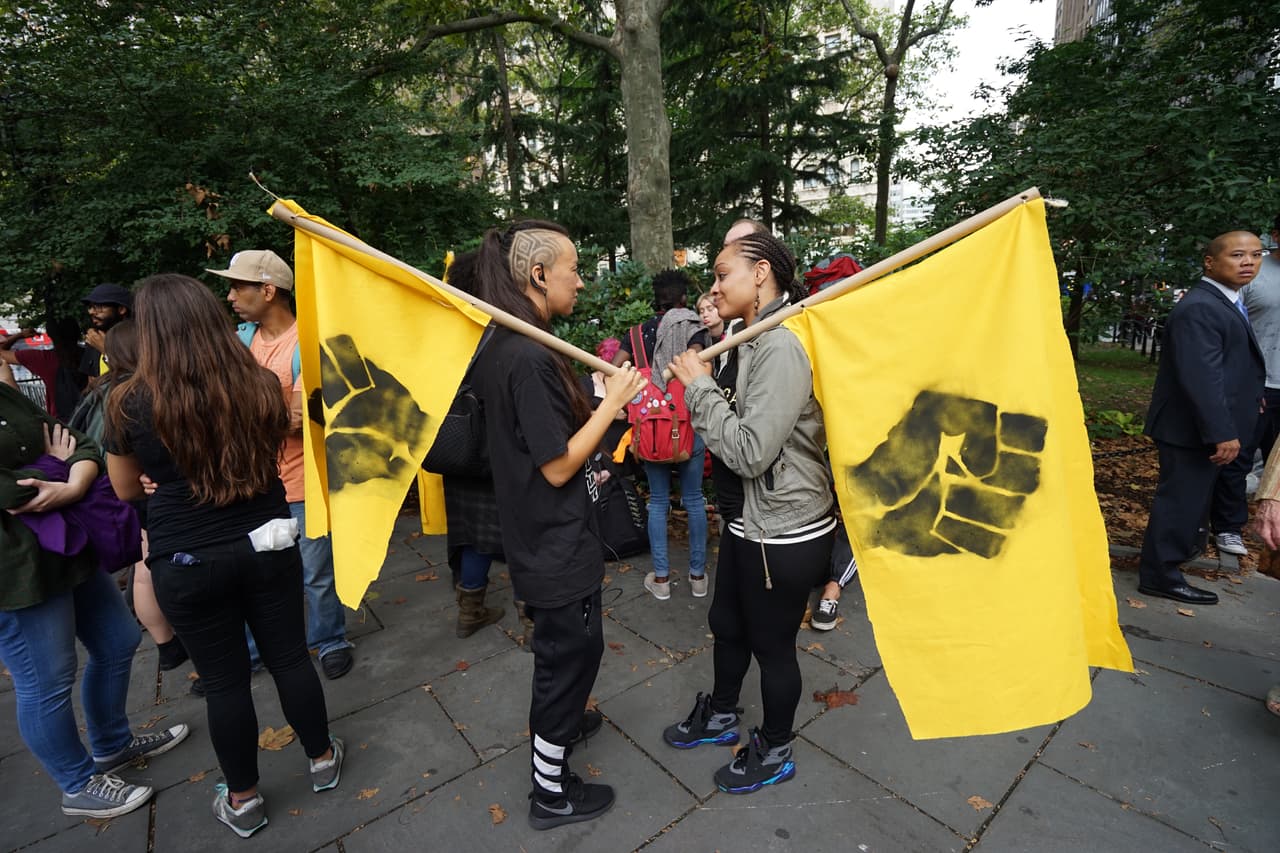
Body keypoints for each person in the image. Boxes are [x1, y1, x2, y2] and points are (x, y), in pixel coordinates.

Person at [105, 274, 343, 838]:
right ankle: (322, 760)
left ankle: (244, 799)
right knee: (290, 657)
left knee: (227, 681)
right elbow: (267, 449)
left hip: (187, 557)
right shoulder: (259, 384)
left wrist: (165, 480)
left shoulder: (128, 401)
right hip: (267, 541)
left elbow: (125, 491)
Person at [468, 220, 647, 830]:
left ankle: (566, 722)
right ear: (539, 275)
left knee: (572, 645)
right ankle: (550, 790)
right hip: (551, 536)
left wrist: (596, 403)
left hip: (541, 531)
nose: (581, 279)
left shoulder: (513, 340)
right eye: (574, 268)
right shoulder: (526, 354)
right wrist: (613, 405)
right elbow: (557, 464)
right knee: (567, 656)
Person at [665, 230, 836, 794]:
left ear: (760, 273)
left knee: (772, 646)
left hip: (785, 529)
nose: (713, 287)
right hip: (746, 519)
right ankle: (720, 713)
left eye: (721, 273)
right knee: (726, 623)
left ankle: (777, 746)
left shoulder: (781, 345)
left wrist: (700, 390)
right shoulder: (745, 335)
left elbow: (749, 449)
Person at [0, 356, 189, 820]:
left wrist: (71, 479)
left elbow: (81, 443)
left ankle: (112, 744)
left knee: (119, 641)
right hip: (16, 570)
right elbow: (13, 491)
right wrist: (64, 472)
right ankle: (77, 783)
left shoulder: (4, 394)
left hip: (66, 543)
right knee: (47, 680)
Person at [210, 249, 354, 680]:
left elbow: (298, 420)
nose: (231, 295)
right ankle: (255, 651)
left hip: (302, 480)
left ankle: (329, 639)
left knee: (316, 573)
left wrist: (247, 415)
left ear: (269, 291)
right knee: (252, 574)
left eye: (239, 286)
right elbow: (222, 409)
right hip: (249, 482)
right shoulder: (238, 342)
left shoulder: (308, 342)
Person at [1138, 231, 1266, 605]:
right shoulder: (1201, 307)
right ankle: (1160, 574)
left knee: (1191, 500)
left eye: (1256, 255)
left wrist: (1248, 399)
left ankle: (1170, 563)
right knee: (1180, 501)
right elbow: (1201, 377)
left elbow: (1227, 367)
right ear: (1210, 262)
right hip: (1190, 429)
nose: (1248, 262)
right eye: (1237, 255)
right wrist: (1221, 432)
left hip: (1203, 425)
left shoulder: (1226, 301)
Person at [613, 269, 710, 601]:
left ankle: (663, 580)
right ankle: (697, 578)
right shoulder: (693, 328)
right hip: (688, 426)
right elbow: (702, 366)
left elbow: (615, 368)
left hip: (650, 430)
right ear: (683, 300)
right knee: (694, 499)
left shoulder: (636, 335)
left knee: (656, 501)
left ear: (655, 300)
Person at [438, 249, 505, 638]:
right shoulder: (505, 329)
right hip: (498, 447)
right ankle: (531, 621)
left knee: (473, 533)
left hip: (457, 445)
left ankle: (470, 612)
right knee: (517, 532)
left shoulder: (446, 329)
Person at [80, 282, 133, 379]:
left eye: (99, 306)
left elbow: (135, 378)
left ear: (121, 309)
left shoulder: (138, 340)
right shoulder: (94, 339)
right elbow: (91, 382)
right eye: (90, 307)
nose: (91, 311)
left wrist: (105, 349)